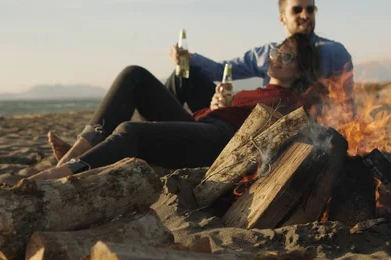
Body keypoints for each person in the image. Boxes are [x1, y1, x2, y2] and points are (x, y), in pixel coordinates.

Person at [31, 33, 322, 181]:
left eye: (287, 58)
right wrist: (218, 103)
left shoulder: (294, 101)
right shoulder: (260, 90)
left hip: (220, 142)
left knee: (130, 131)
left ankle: (65, 173)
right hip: (204, 125)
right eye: (276, 52)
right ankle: (81, 148)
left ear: (300, 72)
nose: (275, 58)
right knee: (134, 75)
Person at [166, 0, 353, 113]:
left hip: (301, 132)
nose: (305, 15)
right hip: (255, 116)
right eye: (297, 10)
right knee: (182, 78)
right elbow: (222, 71)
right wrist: (189, 58)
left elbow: (346, 103)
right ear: (282, 18)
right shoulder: (268, 53)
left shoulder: (333, 52)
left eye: (310, 10)